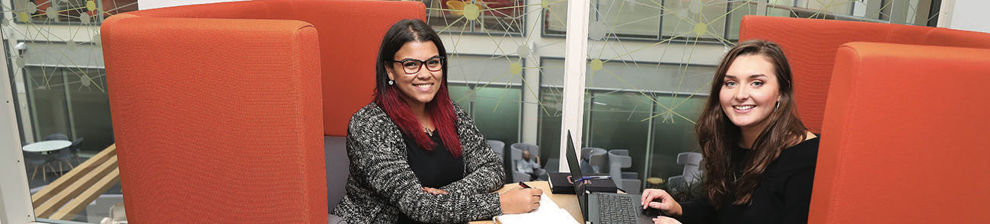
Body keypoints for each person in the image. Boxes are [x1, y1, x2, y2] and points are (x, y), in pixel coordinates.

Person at [330, 19, 542, 224]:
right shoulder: (369, 125)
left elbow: (492, 168)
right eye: (410, 64)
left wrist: (448, 194)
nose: (425, 74)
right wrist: (500, 203)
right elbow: (417, 205)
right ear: (389, 69)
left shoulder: (451, 113)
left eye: (432, 63)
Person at [642, 40, 820, 224]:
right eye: (731, 83)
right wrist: (679, 209)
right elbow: (721, 211)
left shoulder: (807, 159)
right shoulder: (735, 139)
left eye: (757, 83)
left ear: (782, 92)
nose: (740, 94)